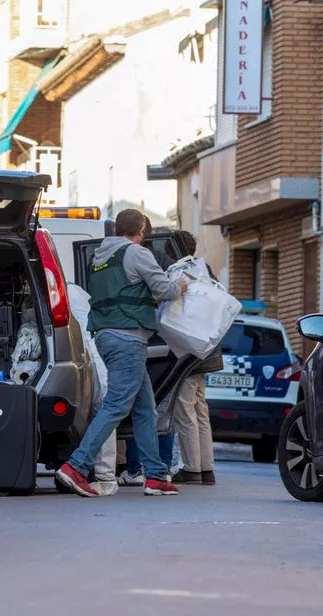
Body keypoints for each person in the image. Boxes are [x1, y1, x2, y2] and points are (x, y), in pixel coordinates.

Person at [56, 209, 187, 498]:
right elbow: (164, 289)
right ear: (141, 229)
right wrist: (181, 285)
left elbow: (123, 290)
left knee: (144, 409)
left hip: (106, 334)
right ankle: (76, 467)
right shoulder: (136, 253)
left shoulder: (101, 257)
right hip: (127, 336)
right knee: (116, 406)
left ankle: (154, 476)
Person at [169, 230, 221, 485]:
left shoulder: (185, 271)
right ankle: (206, 468)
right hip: (206, 350)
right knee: (200, 410)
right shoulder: (205, 269)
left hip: (190, 351)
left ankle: (192, 469)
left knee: (185, 409)